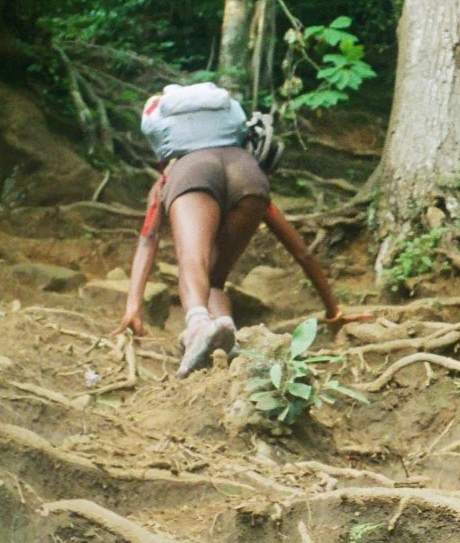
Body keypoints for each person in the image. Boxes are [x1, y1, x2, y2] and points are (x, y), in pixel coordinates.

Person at [116, 89, 352, 375]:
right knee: (213, 280)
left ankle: (198, 328)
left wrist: (133, 306)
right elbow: (301, 251)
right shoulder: (244, 161)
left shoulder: (170, 177)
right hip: (250, 178)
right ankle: (228, 336)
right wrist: (333, 309)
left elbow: (148, 239)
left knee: (193, 261)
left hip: (194, 175)